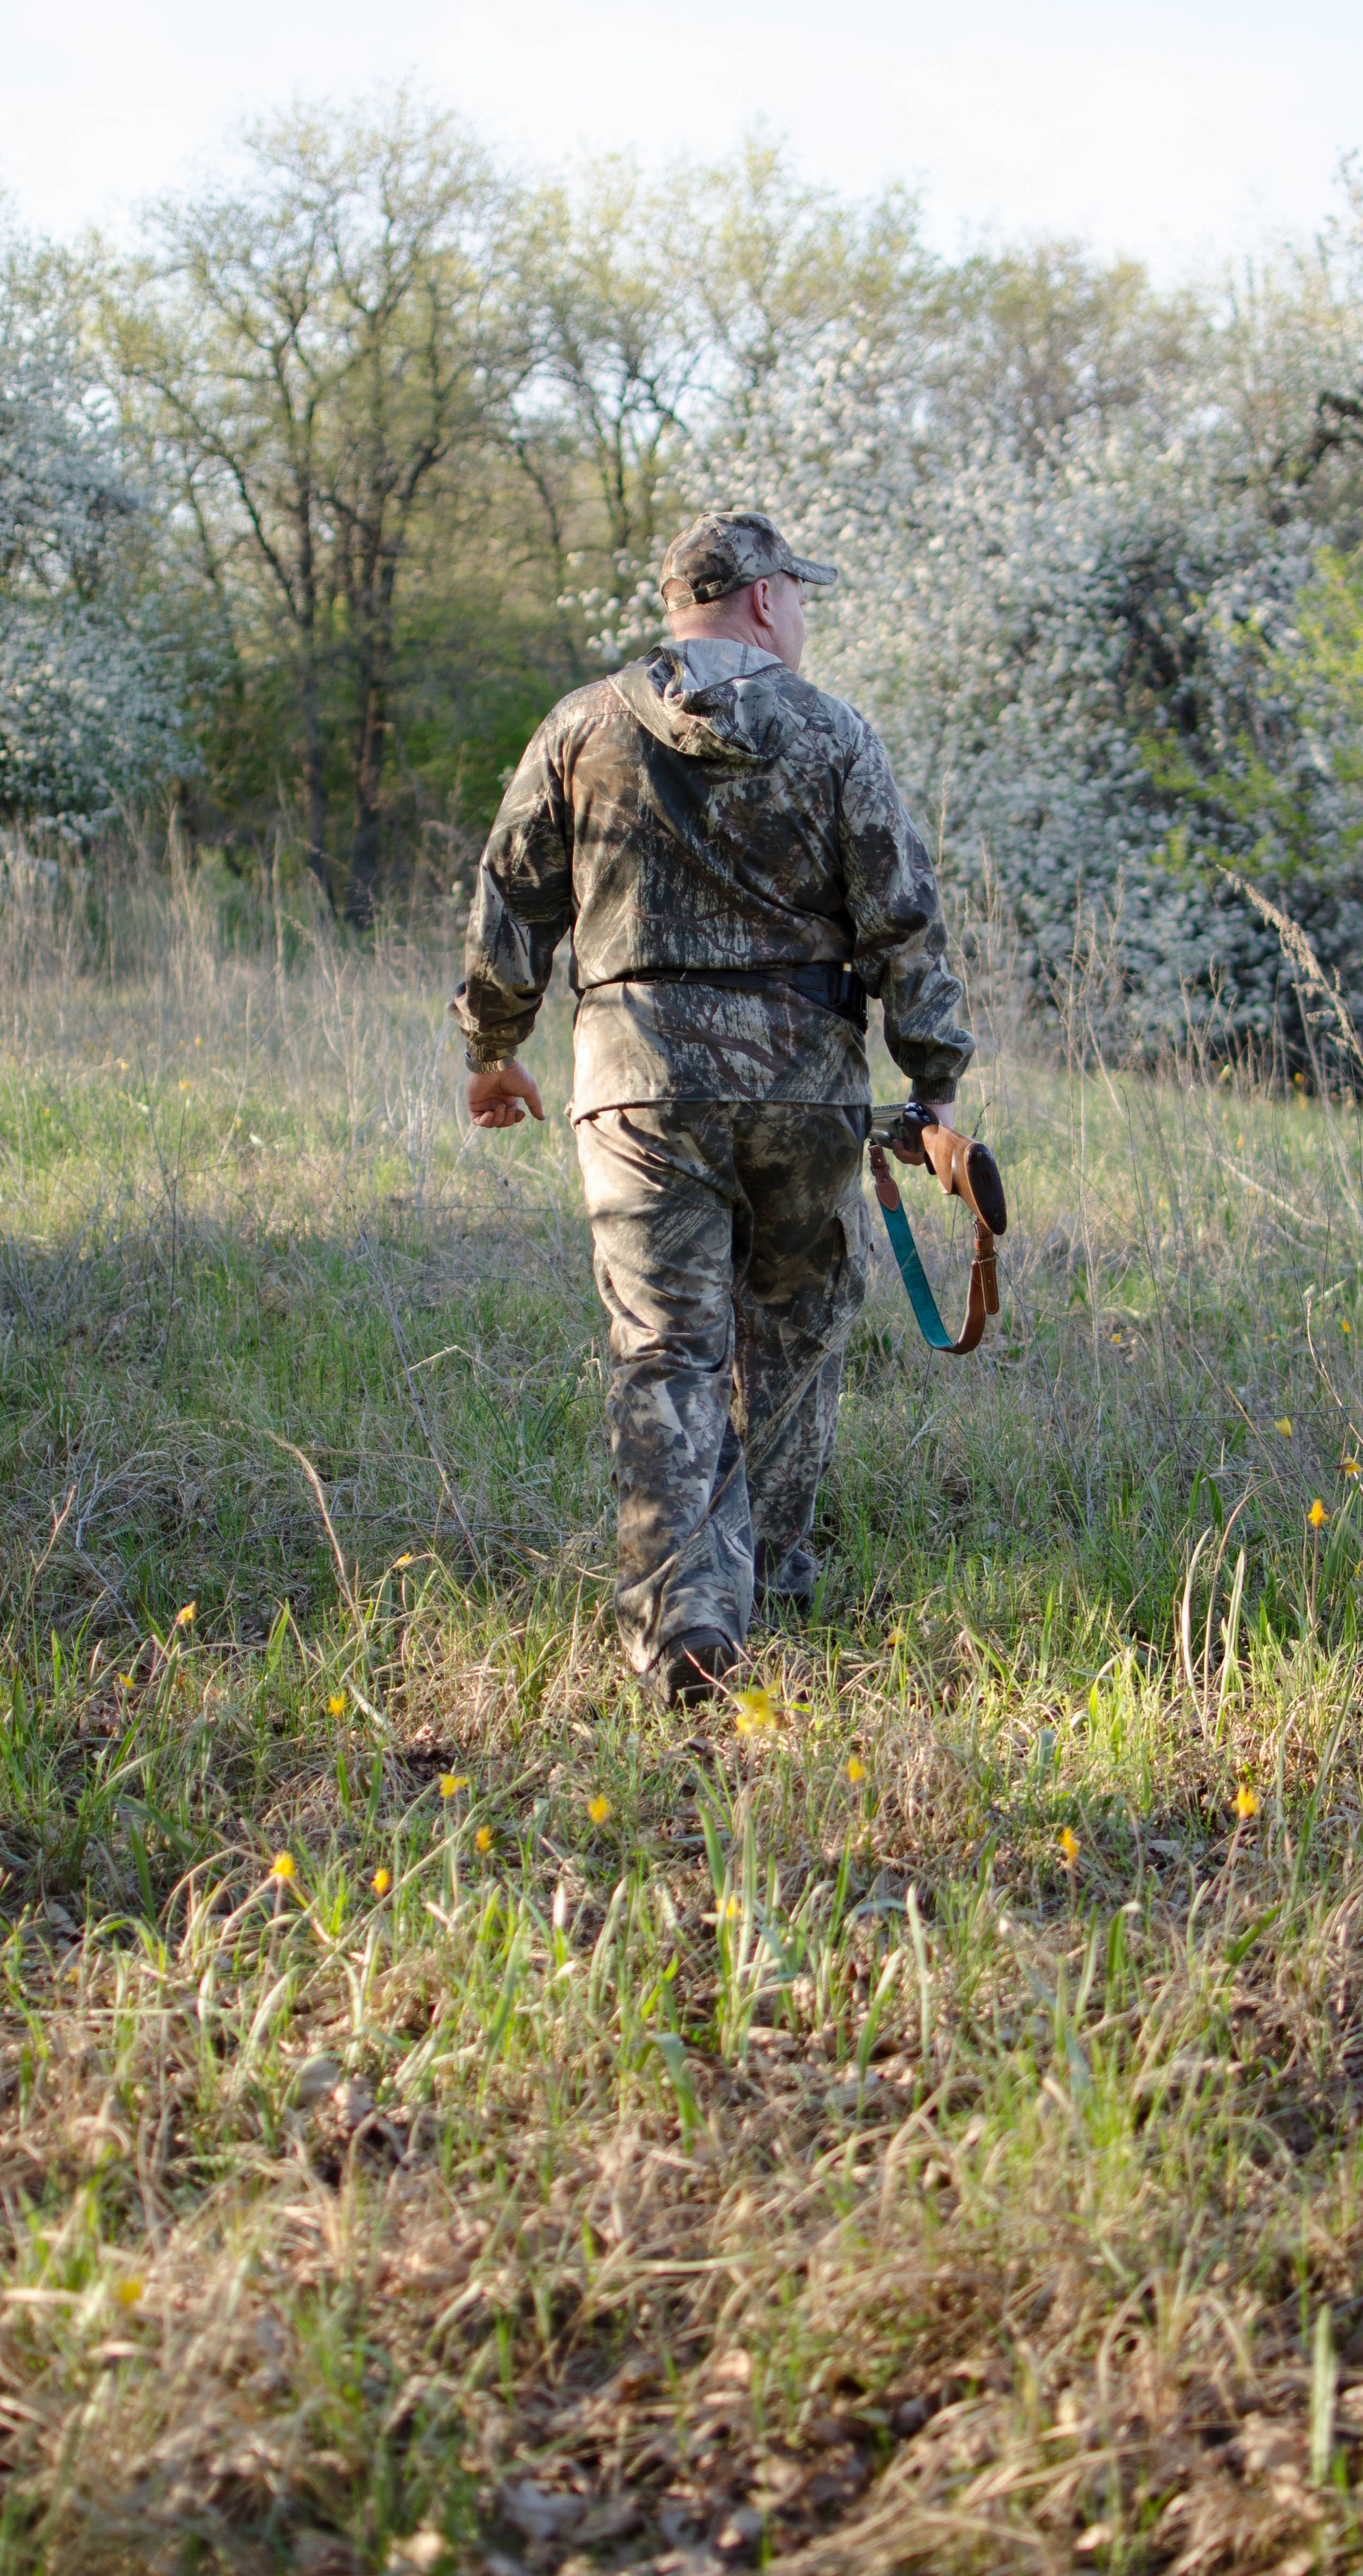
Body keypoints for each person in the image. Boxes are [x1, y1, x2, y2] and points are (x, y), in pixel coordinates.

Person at [453, 510, 974, 1706]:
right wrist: (934, 1077)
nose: (803, 614)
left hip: (634, 1084)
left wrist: (494, 1046)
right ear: (759, 597)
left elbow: (512, 897)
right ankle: (779, 1576)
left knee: (665, 1350)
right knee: (792, 1330)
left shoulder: (579, 727)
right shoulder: (835, 732)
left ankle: (687, 1613)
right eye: (799, 592)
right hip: (803, 1084)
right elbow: (904, 918)